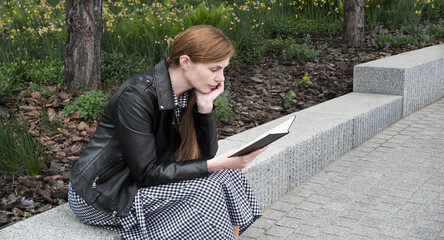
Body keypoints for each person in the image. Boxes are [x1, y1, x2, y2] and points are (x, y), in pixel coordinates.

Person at [68, 25, 266, 240]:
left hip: (141, 184)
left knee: (229, 174)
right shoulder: (136, 97)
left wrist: (205, 107)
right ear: (185, 62)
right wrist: (215, 164)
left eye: (223, 70)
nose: (221, 78)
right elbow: (146, 173)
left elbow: (205, 157)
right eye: (214, 69)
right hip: (105, 194)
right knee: (207, 191)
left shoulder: (188, 94)